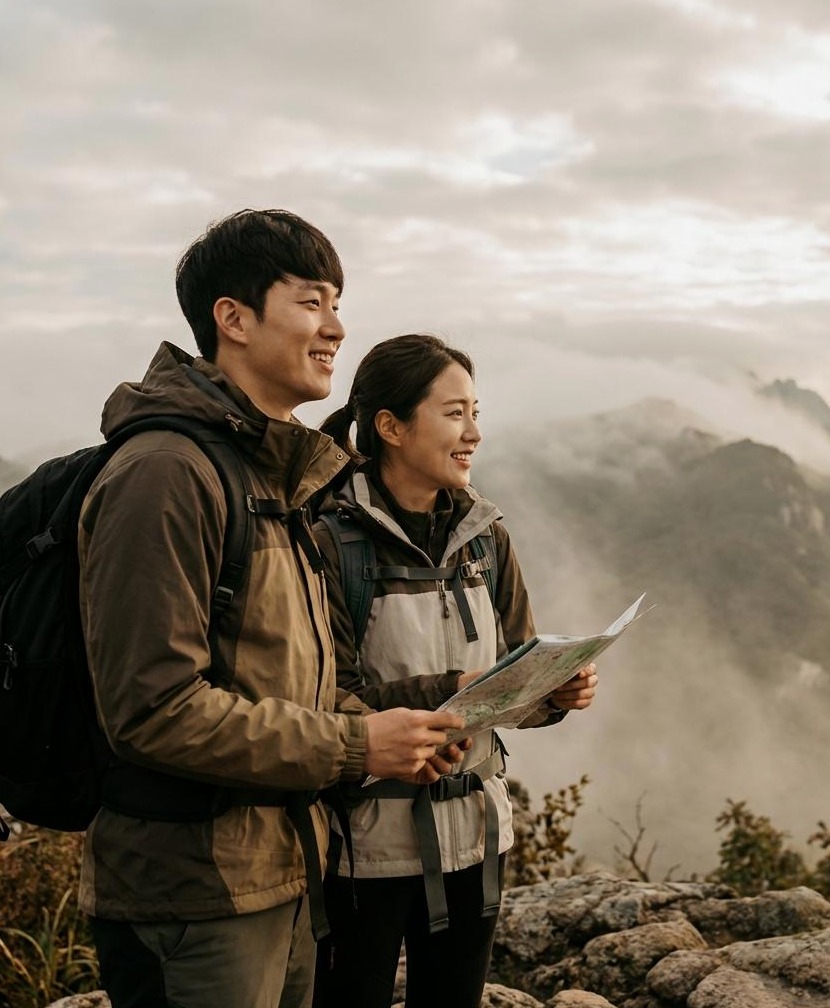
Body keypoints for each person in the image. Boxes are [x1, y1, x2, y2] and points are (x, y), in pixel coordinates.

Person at [77, 210, 467, 1008]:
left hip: (279, 880)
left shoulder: (275, 481)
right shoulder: (166, 473)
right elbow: (152, 710)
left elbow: (292, 689)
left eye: (337, 303)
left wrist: (422, 723)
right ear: (234, 318)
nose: (336, 327)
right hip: (192, 901)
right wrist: (359, 746)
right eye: (312, 302)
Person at [311, 333, 598, 1008]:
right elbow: (317, 697)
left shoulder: (486, 537)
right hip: (364, 849)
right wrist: (438, 705)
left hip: (475, 838)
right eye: (454, 413)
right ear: (390, 427)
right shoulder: (330, 541)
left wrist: (557, 690)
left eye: (476, 412)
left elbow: (517, 670)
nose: (474, 433)